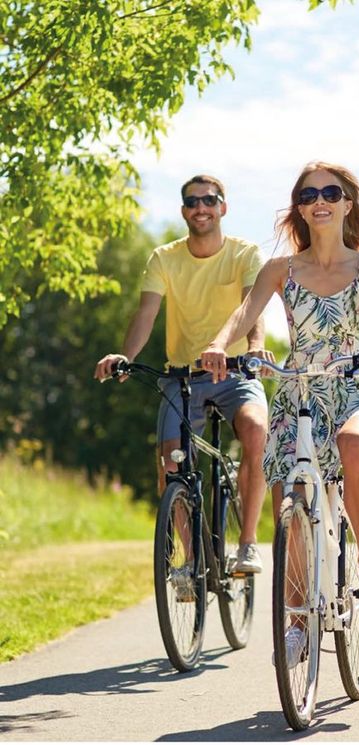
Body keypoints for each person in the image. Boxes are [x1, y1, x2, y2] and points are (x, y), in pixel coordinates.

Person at [200, 161, 359, 594]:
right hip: (300, 391)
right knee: (291, 494)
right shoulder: (281, 269)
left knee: (353, 442)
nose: (320, 203)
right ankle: (294, 623)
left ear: (348, 204)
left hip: (357, 383)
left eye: (330, 194)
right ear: (300, 208)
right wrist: (219, 345)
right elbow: (244, 313)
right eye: (309, 196)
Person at [94, 174, 271, 575]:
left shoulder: (245, 254)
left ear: (223, 207)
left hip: (235, 372)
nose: (200, 207)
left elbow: (252, 310)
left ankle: (247, 545)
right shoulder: (165, 258)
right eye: (192, 202)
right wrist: (125, 354)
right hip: (183, 378)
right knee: (172, 464)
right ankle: (191, 562)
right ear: (183, 211)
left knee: (257, 431)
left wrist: (255, 348)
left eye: (209, 200)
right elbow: (146, 314)